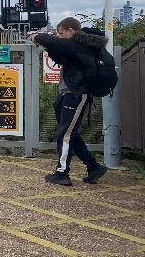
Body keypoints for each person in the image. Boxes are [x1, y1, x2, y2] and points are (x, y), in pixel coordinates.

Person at [32, 17, 109, 186]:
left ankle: (62, 173)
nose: (59, 37)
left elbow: (54, 42)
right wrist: (48, 47)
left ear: (71, 32)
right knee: (69, 133)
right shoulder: (76, 48)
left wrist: (38, 36)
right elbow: (62, 58)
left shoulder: (79, 45)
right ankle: (93, 166)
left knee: (65, 134)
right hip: (68, 94)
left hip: (76, 95)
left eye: (61, 33)